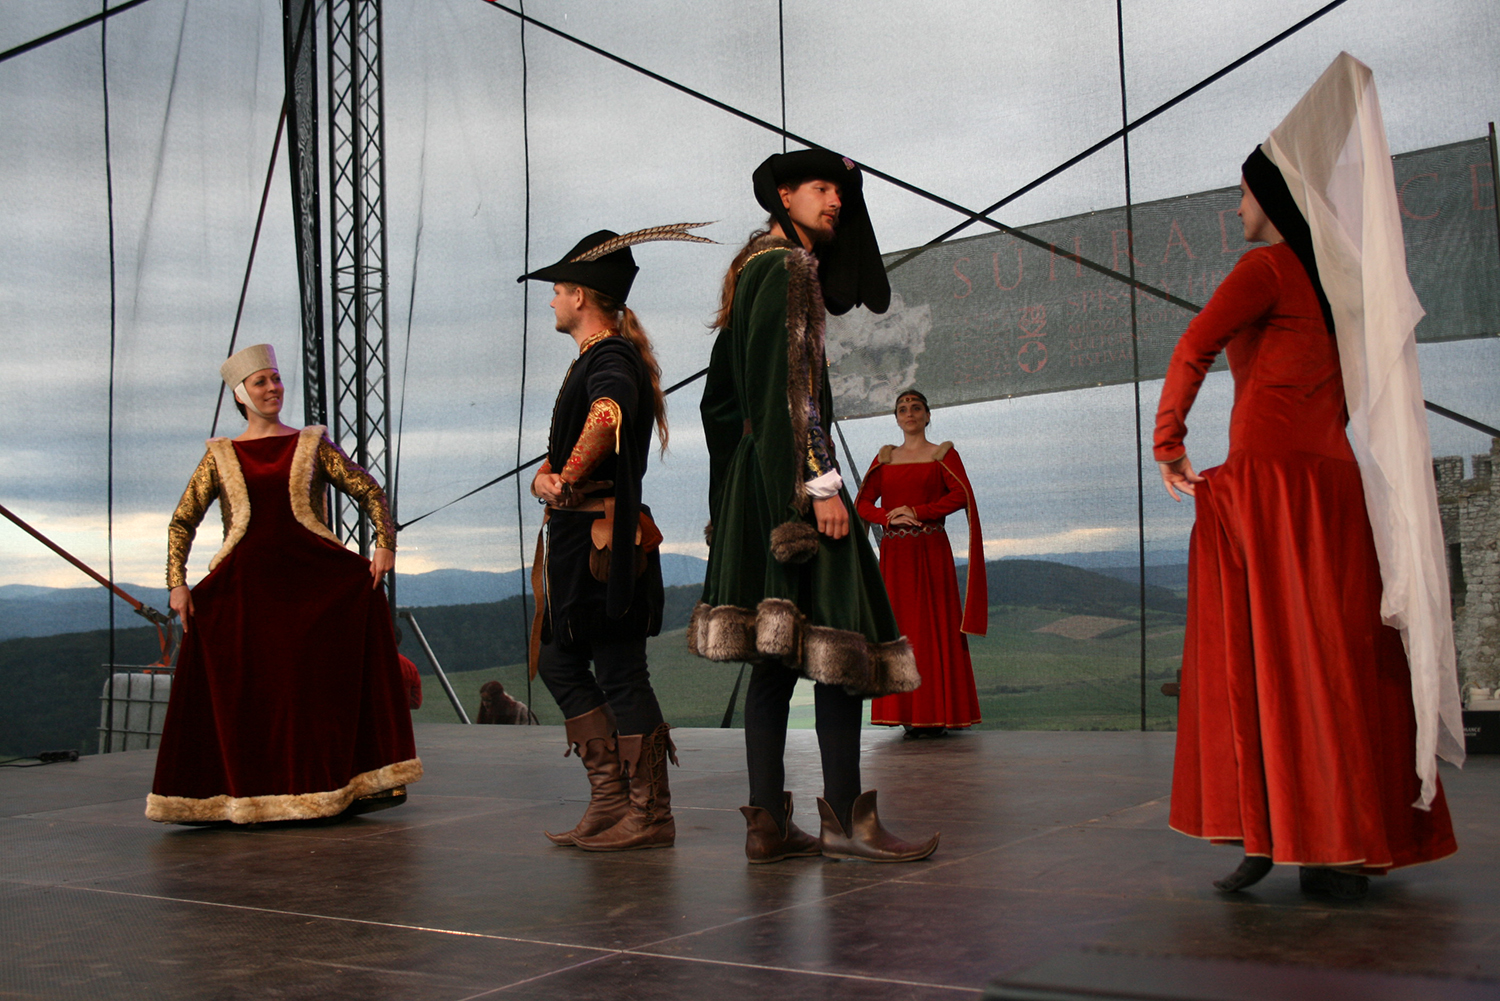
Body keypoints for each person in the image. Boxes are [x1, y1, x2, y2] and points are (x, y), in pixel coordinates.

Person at [1156, 53, 1460, 899]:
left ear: (1274, 196)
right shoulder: (1343, 281)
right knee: (1335, 658)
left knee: (1264, 662)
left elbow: (1193, 346)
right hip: (1335, 489)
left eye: (1244, 193)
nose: (1237, 208)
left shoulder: (1266, 269)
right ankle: (1328, 839)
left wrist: (1168, 442)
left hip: (1271, 488)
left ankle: (1282, 830)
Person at [691, 148, 939, 864]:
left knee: (774, 655)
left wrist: (733, 501)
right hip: (795, 480)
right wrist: (818, 485)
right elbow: (793, 389)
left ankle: (767, 823)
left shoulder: (751, 270)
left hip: (759, 479)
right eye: (823, 188)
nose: (835, 201)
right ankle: (848, 824)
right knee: (840, 642)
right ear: (785, 195)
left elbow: (719, 407)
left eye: (840, 192)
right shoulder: (788, 269)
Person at [149, 343, 421, 824]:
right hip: (247, 594)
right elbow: (181, 521)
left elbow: (369, 490)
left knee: (311, 693)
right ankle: (246, 796)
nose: (273, 388)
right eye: (261, 382)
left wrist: (385, 545)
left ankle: (333, 789)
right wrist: (178, 583)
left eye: (275, 378)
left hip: (311, 590)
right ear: (241, 394)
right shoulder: (220, 456)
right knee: (255, 697)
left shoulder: (311, 444)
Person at [519, 223, 711, 852]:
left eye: (557, 290)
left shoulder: (611, 357)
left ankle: (651, 813)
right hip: (581, 542)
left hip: (604, 543)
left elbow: (609, 414)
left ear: (580, 295)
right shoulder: (597, 357)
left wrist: (567, 476)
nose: (551, 300)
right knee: (559, 660)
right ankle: (611, 797)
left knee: (622, 673)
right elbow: (590, 427)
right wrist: (551, 477)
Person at [856, 389, 987, 737]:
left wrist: (919, 511)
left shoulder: (943, 454)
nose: (909, 413)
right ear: (897, 419)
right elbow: (863, 503)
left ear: (928, 416)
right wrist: (888, 517)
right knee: (900, 630)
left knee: (933, 629)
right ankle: (906, 714)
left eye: (916, 408)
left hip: (931, 553)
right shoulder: (885, 459)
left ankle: (937, 713)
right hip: (896, 558)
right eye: (902, 409)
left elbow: (960, 495)